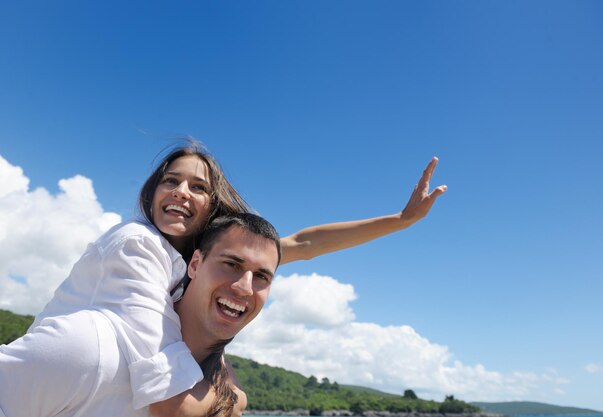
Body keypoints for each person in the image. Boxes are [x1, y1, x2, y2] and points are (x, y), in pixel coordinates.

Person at [19, 140, 447, 415]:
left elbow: (303, 243)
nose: (182, 192)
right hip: (58, 380)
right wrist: (232, 394)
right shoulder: (138, 245)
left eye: (198, 187)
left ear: (211, 207)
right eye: (171, 181)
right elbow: (173, 398)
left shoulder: (202, 254)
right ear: (151, 194)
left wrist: (400, 221)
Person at [0, 213, 281, 417]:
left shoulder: (217, 388)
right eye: (231, 264)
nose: (245, 287)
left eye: (261, 277)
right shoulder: (91, 349)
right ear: (194, 264)